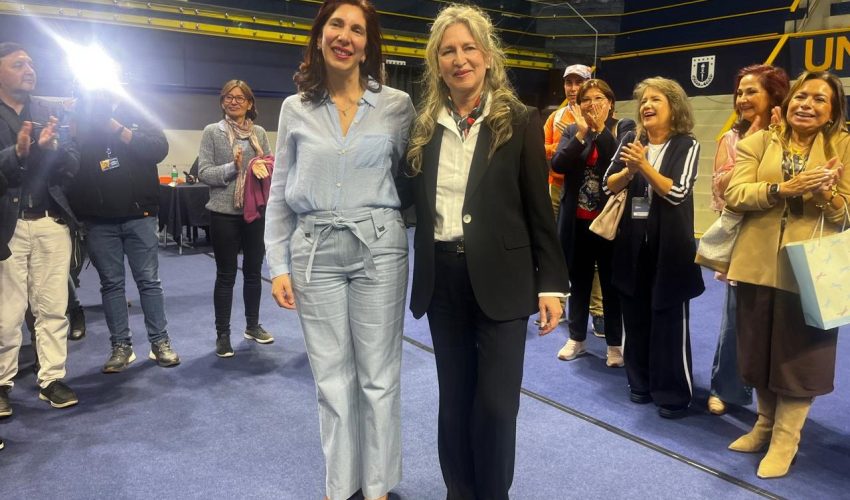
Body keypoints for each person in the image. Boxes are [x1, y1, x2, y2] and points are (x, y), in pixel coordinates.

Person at [404, 5, 569, 499]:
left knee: (496, 406)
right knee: (454, 401)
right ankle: (459, 491)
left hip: (504, 280)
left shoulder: (519, 120)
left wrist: (551, 283)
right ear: (436, 64)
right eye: (448, 51)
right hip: (443, 279)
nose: (459, 59)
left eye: (469, 48)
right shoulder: (423, 126)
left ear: (488, 57)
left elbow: (539, 209)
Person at [264, 1, 415, 499]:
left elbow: (414, 177)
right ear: (320, 35)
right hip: (314, 251)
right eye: (336, 25)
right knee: (331, 378)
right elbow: (280, 189)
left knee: (378, 377)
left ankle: (377, 487)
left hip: (380, 249)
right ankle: (340, 485)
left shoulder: (397, 106)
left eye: (356, 29)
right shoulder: (294, 108)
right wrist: (278, 263)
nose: (344, 36)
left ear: (367, 45)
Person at [724, 70, 849, 479]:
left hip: (811, 271)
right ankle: (764, 425)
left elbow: (846, 214)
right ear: (788, 100)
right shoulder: (759, 141)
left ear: (833, 111)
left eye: (819, 99)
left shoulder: (845, 147)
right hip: (757, 264)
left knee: (798, 360)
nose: (806, 105)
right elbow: (735, 193)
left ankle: (785, 439)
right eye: (801, 96)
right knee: (758, 352)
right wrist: (784, 189)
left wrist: (826, 195)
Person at [603, 77, 704, 419]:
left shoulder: (686, 144)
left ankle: (673, 395)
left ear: (674, 107)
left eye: (655, 99)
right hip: (632, 247)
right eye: (643, 100)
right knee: (635, 317)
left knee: (669, 322)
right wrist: (629, 172)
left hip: (670, 252)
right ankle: (640, 383)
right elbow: (608, 184)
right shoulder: (631, 140)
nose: (646, 105)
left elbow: (676, 192)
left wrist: (643, 166)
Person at [68, 88, 180, 373]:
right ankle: (121, 346)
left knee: (149, 281)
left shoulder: (139, 112)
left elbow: (158, 150)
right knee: (111, 285)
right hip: (99, 221)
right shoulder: (83, 118)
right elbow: (74, 167)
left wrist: (117, 128)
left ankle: (160, 342)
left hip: (140, 215)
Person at [0, 42, 81, 413]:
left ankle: (51, 378)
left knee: (52, 308)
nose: (29, 69)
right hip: (9, 225)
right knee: (7, 314)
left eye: (31, 63)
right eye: (18, 64)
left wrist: (52, 149)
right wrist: (17, 153)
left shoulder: (49, 112)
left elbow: (73, 163)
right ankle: (2, 384)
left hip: (51, 221)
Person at [707, 64, 789, 416]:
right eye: (739, 92)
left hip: (786, 238)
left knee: (783, 323)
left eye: (751, 91)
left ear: (775, 95)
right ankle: (727, 388)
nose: (742, 98)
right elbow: (723, 190)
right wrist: (754, 140)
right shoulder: (731, 139)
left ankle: (781, 399)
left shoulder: (795, 136)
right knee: (737, 318)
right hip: (745, 240)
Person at [551, 78, 635, 367]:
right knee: (579, 281)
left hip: (610, 222)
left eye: (598, 98)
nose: (591, 104)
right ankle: (577, 338)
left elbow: (618, 162)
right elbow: (558, 164)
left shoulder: (623, 127)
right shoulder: (573, 130)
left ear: (610, 102)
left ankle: (614, 344)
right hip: (578, 221)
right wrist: (580, 135)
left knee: (611, 284)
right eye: (586, 99)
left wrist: (599, 131)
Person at [198, 79, 273, 357]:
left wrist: (260, 166)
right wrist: (234, 167)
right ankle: (223, 334)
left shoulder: (259, 133)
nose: (234, 102)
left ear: (249, 103)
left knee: (254, 272)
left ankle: (252, 326)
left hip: (255, 212)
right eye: (228, 97)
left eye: (240, 98)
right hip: (223, 213)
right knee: (226, 275)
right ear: (222, 102)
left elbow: (270, 164)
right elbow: (204, 172)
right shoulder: (212, 132)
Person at [544, 63, 606, 336]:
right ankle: (557, 303)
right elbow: (544, 149)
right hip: (559, 189)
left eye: (578, 82)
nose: (572, 88)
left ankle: (598, 311)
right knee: (556, 248)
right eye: (568, 83)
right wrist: (563, 145)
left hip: (591, 191)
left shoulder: (601, 113)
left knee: (594, 254)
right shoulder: (555, 117)